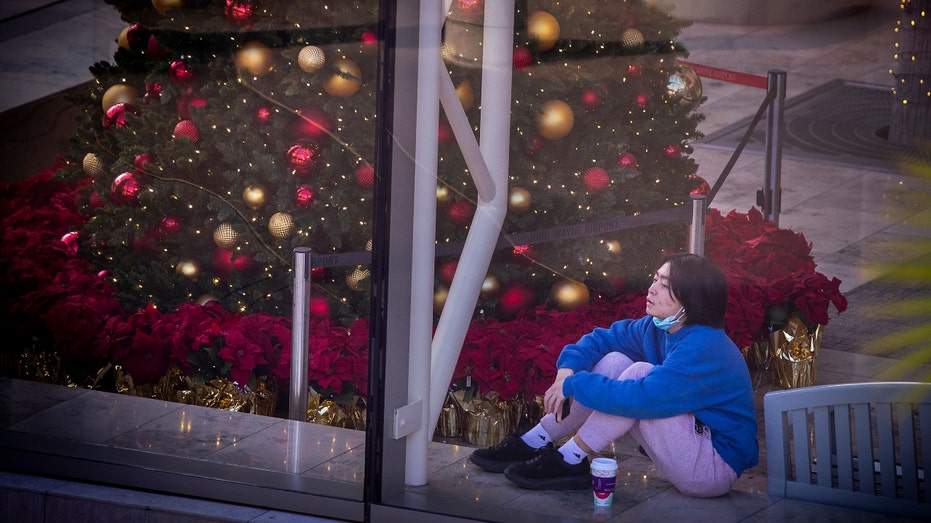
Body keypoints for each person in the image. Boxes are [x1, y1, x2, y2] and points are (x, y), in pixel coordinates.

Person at [469, 253, 759, 497]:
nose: (652, 289)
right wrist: (564, 374)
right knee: (615, 360)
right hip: (688, 446)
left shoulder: (704, 346)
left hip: (713, 467)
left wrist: (576, 384)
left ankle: (569, 458)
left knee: (638, 374)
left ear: (691, 300)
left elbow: (642, 398)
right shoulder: (660, 327)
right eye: (655, 279)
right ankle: (536, 440)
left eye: (664, 285)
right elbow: (600, 339)